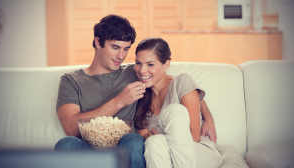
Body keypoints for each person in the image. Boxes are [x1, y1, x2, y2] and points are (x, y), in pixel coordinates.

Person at [54, 14, 217, 168]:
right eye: (115, 47)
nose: (121, 56)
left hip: (129, 151)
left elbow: (172, 81)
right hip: (91, 154)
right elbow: (71, 127)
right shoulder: (71, 80)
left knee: (133, 140)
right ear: (98, 42)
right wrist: (120, 101)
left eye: (126, 49)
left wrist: (208, 117)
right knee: (65, 144)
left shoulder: (135, 72)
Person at [134, 37, 222, 168]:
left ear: (167, 65)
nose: (142, 70)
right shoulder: (138, 95)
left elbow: (194, 137)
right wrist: (154, 139)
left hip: (198, 152)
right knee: (154, 142)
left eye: (150, 64)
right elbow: (145, 140)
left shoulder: (181, 82)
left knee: (174, 111)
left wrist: (208, 116)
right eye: (138, 63)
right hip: (162, 155)